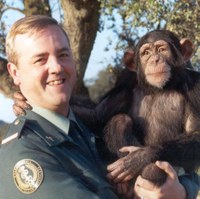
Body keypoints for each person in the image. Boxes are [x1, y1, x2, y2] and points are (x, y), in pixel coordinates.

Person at [0, 15, 199, 199]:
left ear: (183, 53)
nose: (56, 67)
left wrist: (182, 191)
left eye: (62, 55)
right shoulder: (25, 152)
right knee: (120, 122)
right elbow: (98, 114)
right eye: (39, 60)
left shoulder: (80, 130)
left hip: (160, 168)